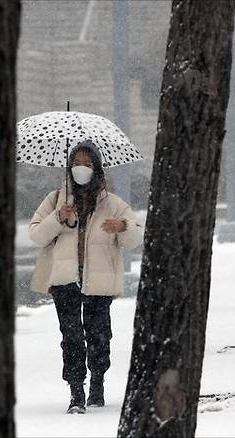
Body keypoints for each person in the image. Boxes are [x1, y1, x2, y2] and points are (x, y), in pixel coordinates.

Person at [28, 141, 143, 414]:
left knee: (99, 336)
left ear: (97, 168)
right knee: (71, 337)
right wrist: (58, 217)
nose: (82, 169)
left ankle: (98, 383)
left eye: (88, 164)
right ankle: (76, 391)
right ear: (69, 167)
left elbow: (135, 237)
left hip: (99, 281)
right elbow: (36, 235)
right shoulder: (55, 199)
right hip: (64, 280)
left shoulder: (112, 203)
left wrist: (122, 226)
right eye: (77, 163)